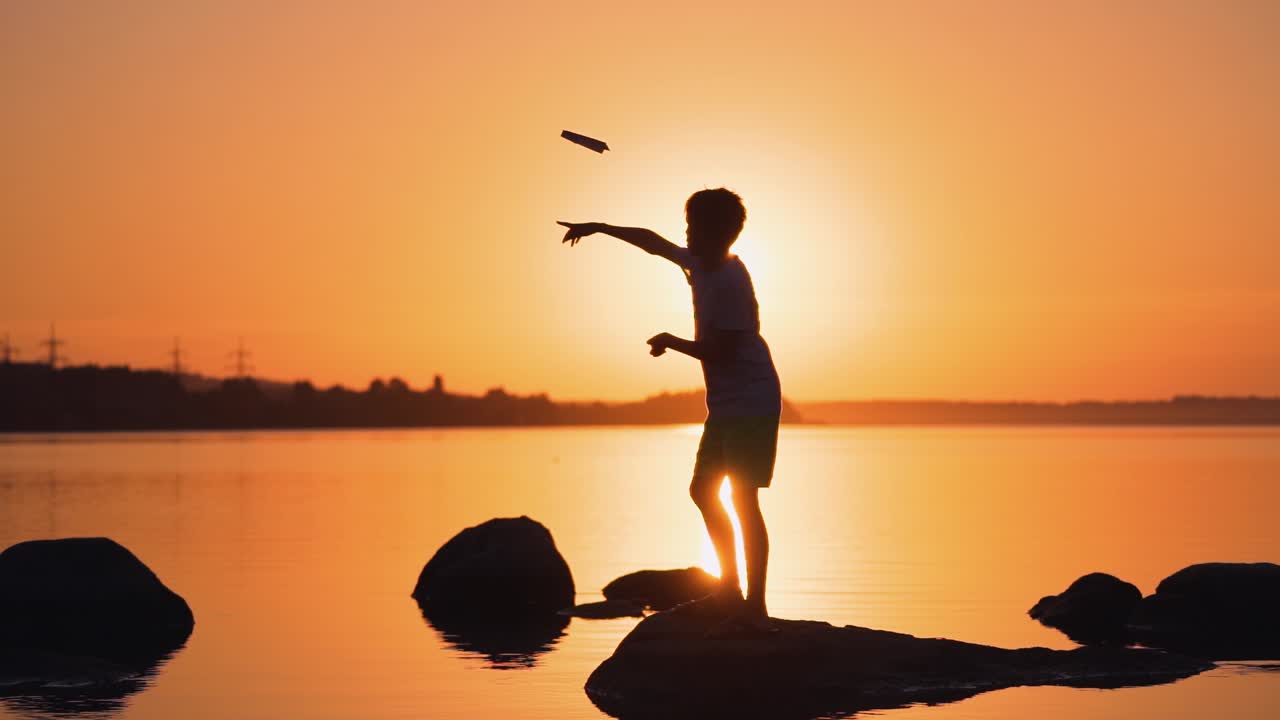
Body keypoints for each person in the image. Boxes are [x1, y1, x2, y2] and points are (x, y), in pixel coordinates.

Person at [558, 188, 781, 631]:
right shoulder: (698, 262)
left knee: (743, 498)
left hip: (752, 400)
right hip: (726, 405)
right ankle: (729, 591)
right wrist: (600, 227)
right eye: (688, 225)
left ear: (718, 233)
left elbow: (720, 351)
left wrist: (669, 341)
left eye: (693, 227)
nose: (686, 234)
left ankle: (754, 607)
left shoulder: (731, 281)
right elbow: (653, 242)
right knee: (703, 491)